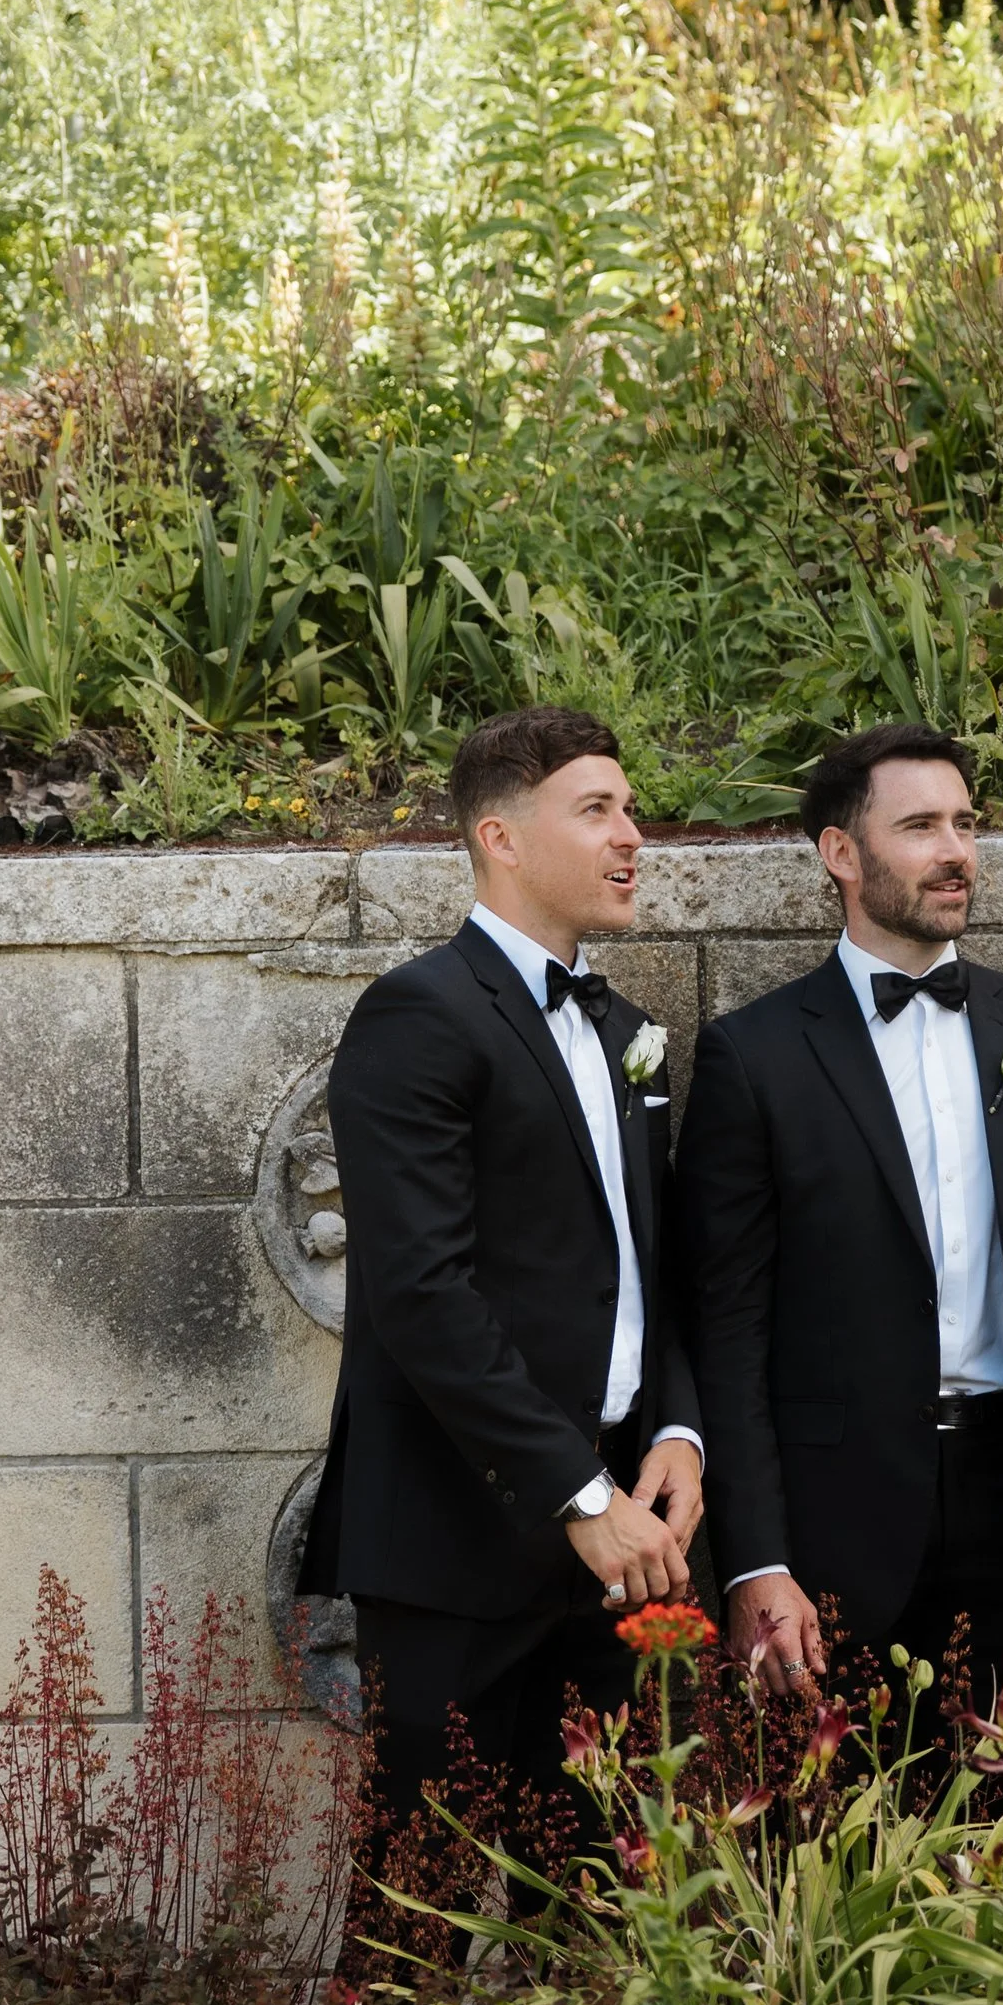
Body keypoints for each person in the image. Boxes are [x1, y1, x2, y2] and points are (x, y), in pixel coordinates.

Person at [298, 705, 702, 1842]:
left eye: (630, 810)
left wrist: (678, 1432)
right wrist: (579, 1496)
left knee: (604, 1889)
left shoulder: (626, 1030)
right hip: (457, 1542)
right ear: (501, 838)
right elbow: (422, 1293)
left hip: (621, 1543)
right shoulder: (419, 1013)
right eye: (596, 810)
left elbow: (650, 1266)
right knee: (418, 1898)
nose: (631, 836)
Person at [673, 723, 1003, 1704]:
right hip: (837, 1519)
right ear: (841, 852)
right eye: (920, 826)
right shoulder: (753, 1057)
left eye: (964, 823)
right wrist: (755, 1560)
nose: (956, 850)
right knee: (840, 1794)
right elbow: (729, 1328)